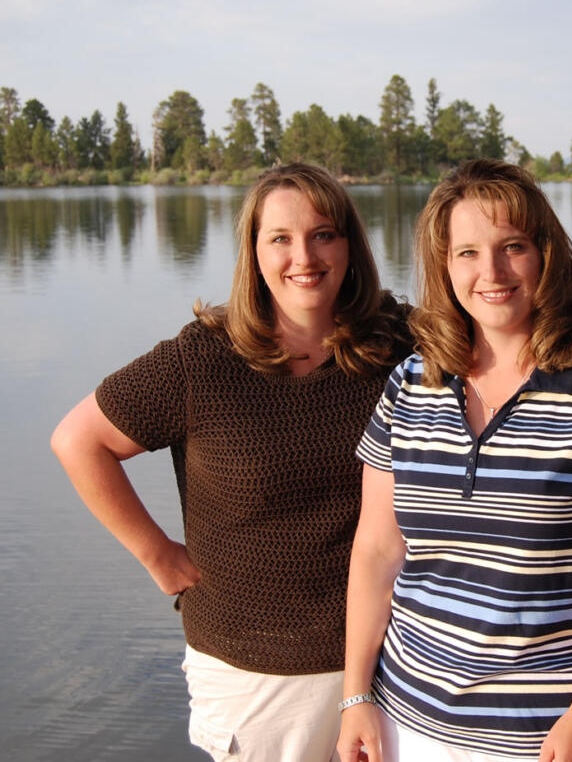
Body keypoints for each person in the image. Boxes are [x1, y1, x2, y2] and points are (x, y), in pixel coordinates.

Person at [50, 163, 410, 762]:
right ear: (253, 251)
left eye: (324, 233)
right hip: (257, 676)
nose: (305, 256)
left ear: (350, 244)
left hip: (391, 663)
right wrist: (156, 552)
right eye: (281, 239)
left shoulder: (397, 350)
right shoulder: (202, 361)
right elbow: (78, 441)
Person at [337, 159, 572, 762]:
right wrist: (354, 696)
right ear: (443, 267)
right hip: (409, 721)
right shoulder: (409, 385)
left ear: (547, 255)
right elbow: (377, 549)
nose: (491, 272)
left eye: (512, 247)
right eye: (467, 252)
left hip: (553, 734)